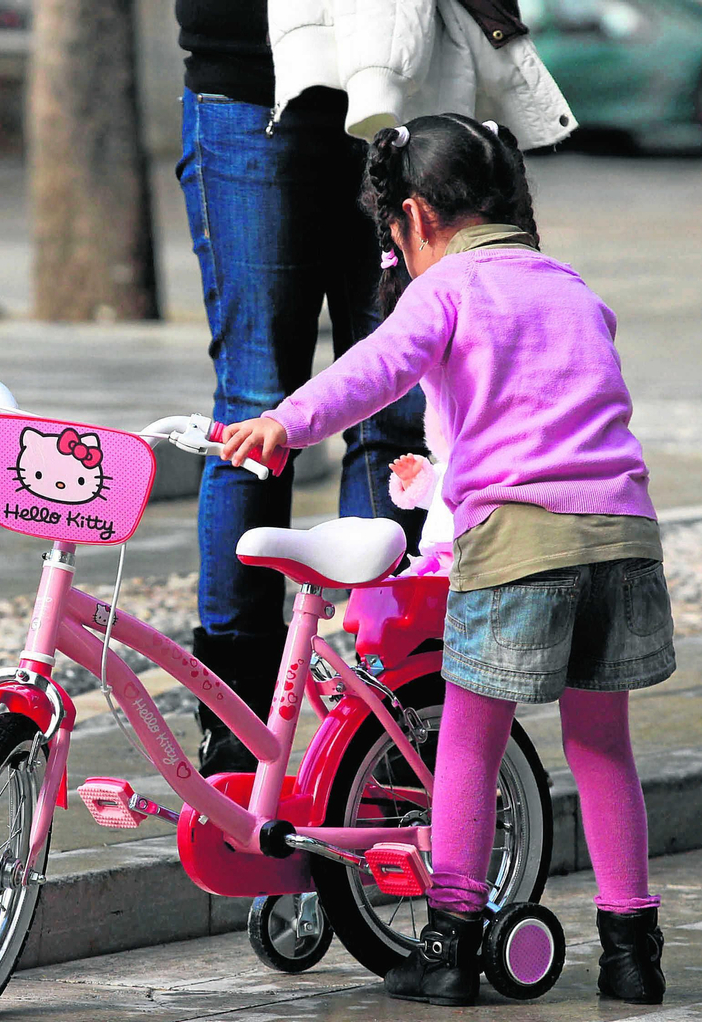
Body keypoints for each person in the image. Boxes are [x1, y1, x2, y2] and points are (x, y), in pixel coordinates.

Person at [221, 114, 673, 1008]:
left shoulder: (451, 286)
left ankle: (452, 943)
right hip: (623, 536)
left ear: (418, 215)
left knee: (470, 740)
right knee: (602, 746)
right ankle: (633, 952)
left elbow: (376, 367)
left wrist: (287, 420)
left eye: (395, 241)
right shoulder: (570, 284)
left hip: (517, 539)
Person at [174, 1, 430, 778]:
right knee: (255, 410)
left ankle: (390, 693)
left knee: (395, 403)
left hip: (391, 86)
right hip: (250, 81)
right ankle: (238, 706)